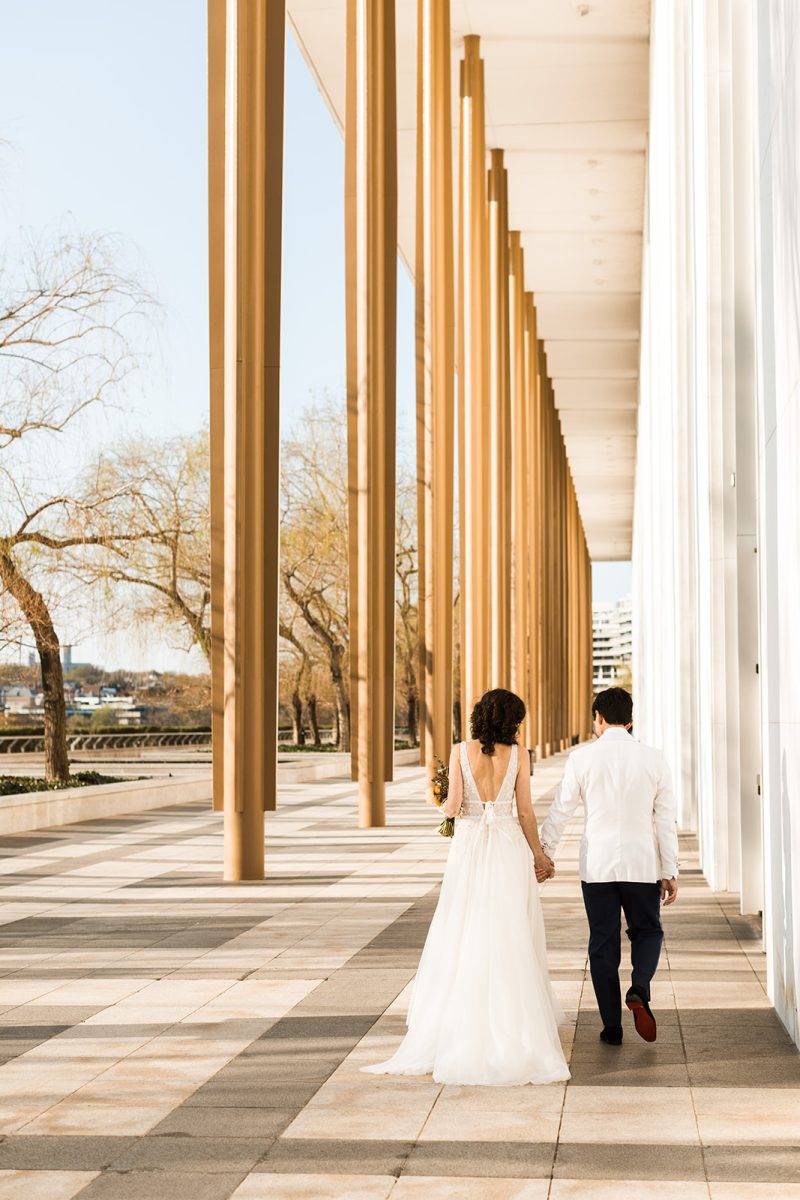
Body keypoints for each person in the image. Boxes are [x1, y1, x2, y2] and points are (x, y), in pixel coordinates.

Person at [362, 688, 569, 1086]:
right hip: (508, 846)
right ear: (512, 721)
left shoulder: (459, 751)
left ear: (479, 716)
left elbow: (453, 807)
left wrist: (433, 796)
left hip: (471, 847)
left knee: (463, 927)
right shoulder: (521, 756)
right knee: (510, 931)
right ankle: (515, 1028)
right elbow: (525, 810)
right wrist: (540, 856)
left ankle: (460, 1024)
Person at [539, 686, 679, 1046]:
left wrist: (544, 851)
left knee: (602, 943)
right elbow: (665, 819)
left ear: (597, 719)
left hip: (598, 866)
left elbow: (561, 810)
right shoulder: (654, 759)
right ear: (631, 721)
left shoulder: (582, 760)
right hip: (642, 864)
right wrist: (670, 869)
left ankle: (611, 1027)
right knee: (648, 932)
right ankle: (639, 989)